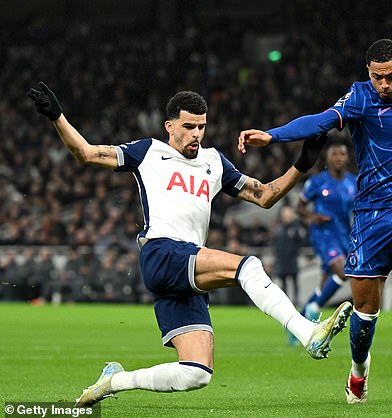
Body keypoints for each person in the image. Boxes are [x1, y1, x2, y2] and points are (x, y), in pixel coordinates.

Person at [27, 82, 353, 407]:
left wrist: (302, 164)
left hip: (186, 270)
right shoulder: (149, 153)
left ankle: (114, 380)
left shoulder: (215, 162)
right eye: (188, 126)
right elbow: (86, 153)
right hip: (163, 253)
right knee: (248, 267)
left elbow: (265, 196)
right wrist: (57, 117)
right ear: (170, 127)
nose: (196, 133)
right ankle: (307, 333)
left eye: (202, 126)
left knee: (196, 373)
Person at [238, 39, 392, 403]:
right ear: (369, 74)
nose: (383, 85)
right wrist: (273, 136)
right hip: (371, 214)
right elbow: (320, 120)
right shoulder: (360, 98)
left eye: (390, 77)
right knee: (365, 309)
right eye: (376, 77)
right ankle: (358, 372)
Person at [297, 140, 357, 322]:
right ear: (328, 159)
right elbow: (300, 207)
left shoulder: (353, 182)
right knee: (342, 272)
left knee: (325, 283)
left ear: (347, 158)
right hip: (323, 234)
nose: (338, 158)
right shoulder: (317, 181)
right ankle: (315, 308)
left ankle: (299, 320)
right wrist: (312, 217)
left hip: (344, 235)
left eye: (342, 154)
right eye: (335, 154)